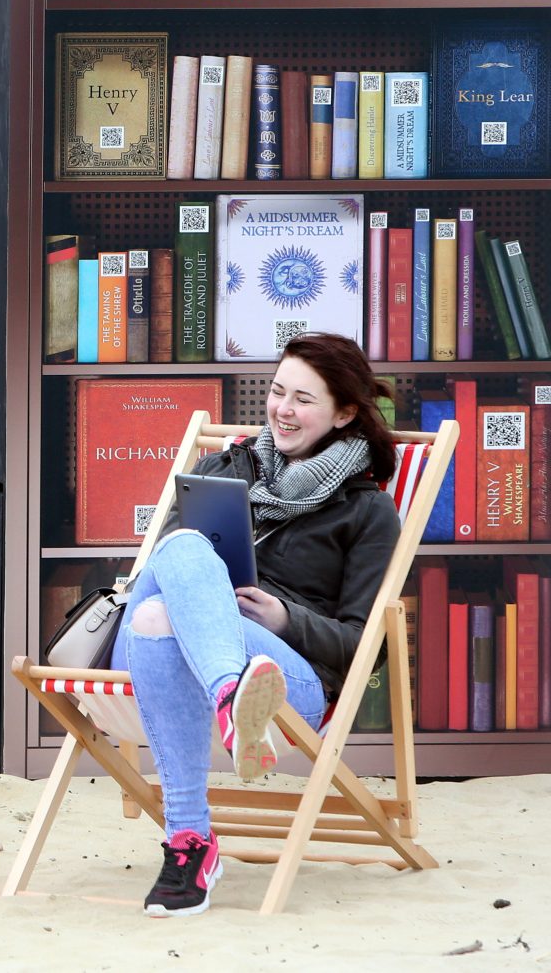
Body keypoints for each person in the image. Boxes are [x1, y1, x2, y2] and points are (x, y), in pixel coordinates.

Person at [112, 332, 402, 918]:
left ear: (345, 412)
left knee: (154, 614)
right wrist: (211, 600)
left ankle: (190, 844)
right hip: (192, 659)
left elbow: (362, 648)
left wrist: (286, 618)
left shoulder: (366, 510)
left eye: (303, 399)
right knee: (182, 551)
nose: (283, 410)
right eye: (275, 392)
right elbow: (167, 565)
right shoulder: (225, 466)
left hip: (284, 679)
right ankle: (230, 696)